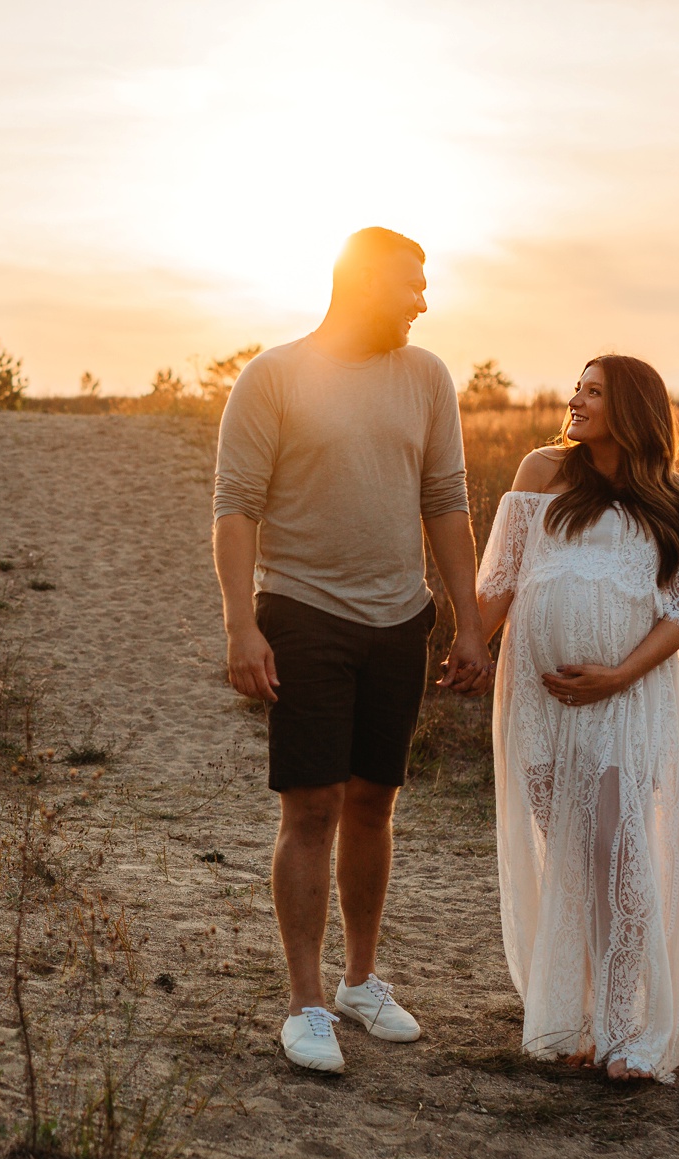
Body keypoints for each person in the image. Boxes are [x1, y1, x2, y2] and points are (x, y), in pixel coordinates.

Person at [212, 227, 492, 1075]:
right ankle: (304, 1002)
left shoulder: (427, 377)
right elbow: (235, 507)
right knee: (313, 808)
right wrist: (240, 623)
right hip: (303, 612)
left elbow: (446, 500)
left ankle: (360, 982)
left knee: (375, 803)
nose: (423, 298)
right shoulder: (274, 377)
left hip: (398, 619)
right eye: (412, 283)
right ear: (362, 283)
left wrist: (468, 621)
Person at [474, 355, 679, 1082]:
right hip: (539, 701)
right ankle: (587, 1015)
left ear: (633, 407)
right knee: (573, 853)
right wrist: (470, 642)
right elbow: (500, 582)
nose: (575, 399)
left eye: (593, 390)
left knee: (616, 852)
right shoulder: (542, 471)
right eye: (576, 388)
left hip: (626, 699)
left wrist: (618, 672)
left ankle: (627, 1030)